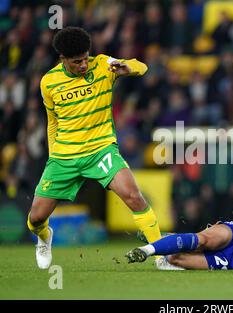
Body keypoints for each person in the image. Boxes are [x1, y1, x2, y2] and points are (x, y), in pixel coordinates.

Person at [27, 26, 162, 269]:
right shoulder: (49, 82)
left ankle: (162, 256)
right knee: (35, 218)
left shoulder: (103, 65)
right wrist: (54, 155)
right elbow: (53, 123)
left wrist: (127, 67)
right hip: (64, 156)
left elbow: (143, 67)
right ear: (63, 59)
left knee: (134, 196)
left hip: (101, 150)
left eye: (85, 58)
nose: (83, 65)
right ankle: (45, 237)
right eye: (77, 61)